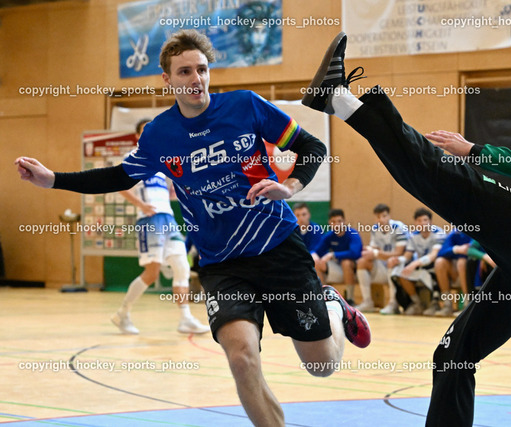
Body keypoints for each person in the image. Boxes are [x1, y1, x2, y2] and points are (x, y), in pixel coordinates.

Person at [16, 29, 370, 427]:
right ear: (167, 79)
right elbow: (117, 176)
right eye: (184, 71)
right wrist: (53, 180)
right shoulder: (159, 134)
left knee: (321, 366)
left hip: (277, 247)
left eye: (201, 69)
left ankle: (332, 305)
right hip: (223, 264)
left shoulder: (245, 106)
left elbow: (312, 147)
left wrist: (289, 187)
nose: (195, 78)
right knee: (241, 358)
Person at [302, 33, 511, 426]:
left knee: (452, 179)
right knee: (453, 355)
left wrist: (475, 151)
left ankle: (338, 99)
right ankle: (337, 100)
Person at [111, 119, 209, 335]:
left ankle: (186, 319)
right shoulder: (132, 157)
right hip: (150, 220)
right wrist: (141, 205)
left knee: (182, 266)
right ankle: (122, 314)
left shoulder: (162, 160)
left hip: (168, 218)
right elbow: (119, 185)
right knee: (152, 273)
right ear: (137, 136)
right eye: (145, 130)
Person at [392, 208, 446, 315]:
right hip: (422, 266)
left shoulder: (439, 233)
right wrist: (399, 259)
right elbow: (408, 254)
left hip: (436, 266)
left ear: (430, 221)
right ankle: (416, 303)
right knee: (402, 273)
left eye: (425, 220)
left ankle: (435, 303)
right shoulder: (413, 236)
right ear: (415, 222)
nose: (422, 223)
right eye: (419, 221)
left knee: (437, 267)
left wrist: (415, 263)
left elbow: (434, 255)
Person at [356, 203, 408, 314]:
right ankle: (367, 302)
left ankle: (393, 303)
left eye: (384, 216)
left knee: (391, 261)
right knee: (362, 262)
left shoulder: (399, 227)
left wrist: (375, 253)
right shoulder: (375, 229)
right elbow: (375, 248)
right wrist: (368, 250)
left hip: (401, 264)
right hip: (383, 263)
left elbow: (399, 252)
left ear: (389, 216)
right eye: (378, 217)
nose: (381, 219)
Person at [312, 208, 363, 302]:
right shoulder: (329, 236)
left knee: (346, 262)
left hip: (354, 269)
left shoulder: (352, 234)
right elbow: (316, 251)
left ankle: (350, 298)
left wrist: (333, 254)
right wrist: (314, 255)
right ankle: (323, 296)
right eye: (333, 222)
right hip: (337, 267)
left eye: (339, 221)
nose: (337, 225)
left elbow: (355, 253)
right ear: (329, 223)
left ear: (344, 221)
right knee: (317, 262)